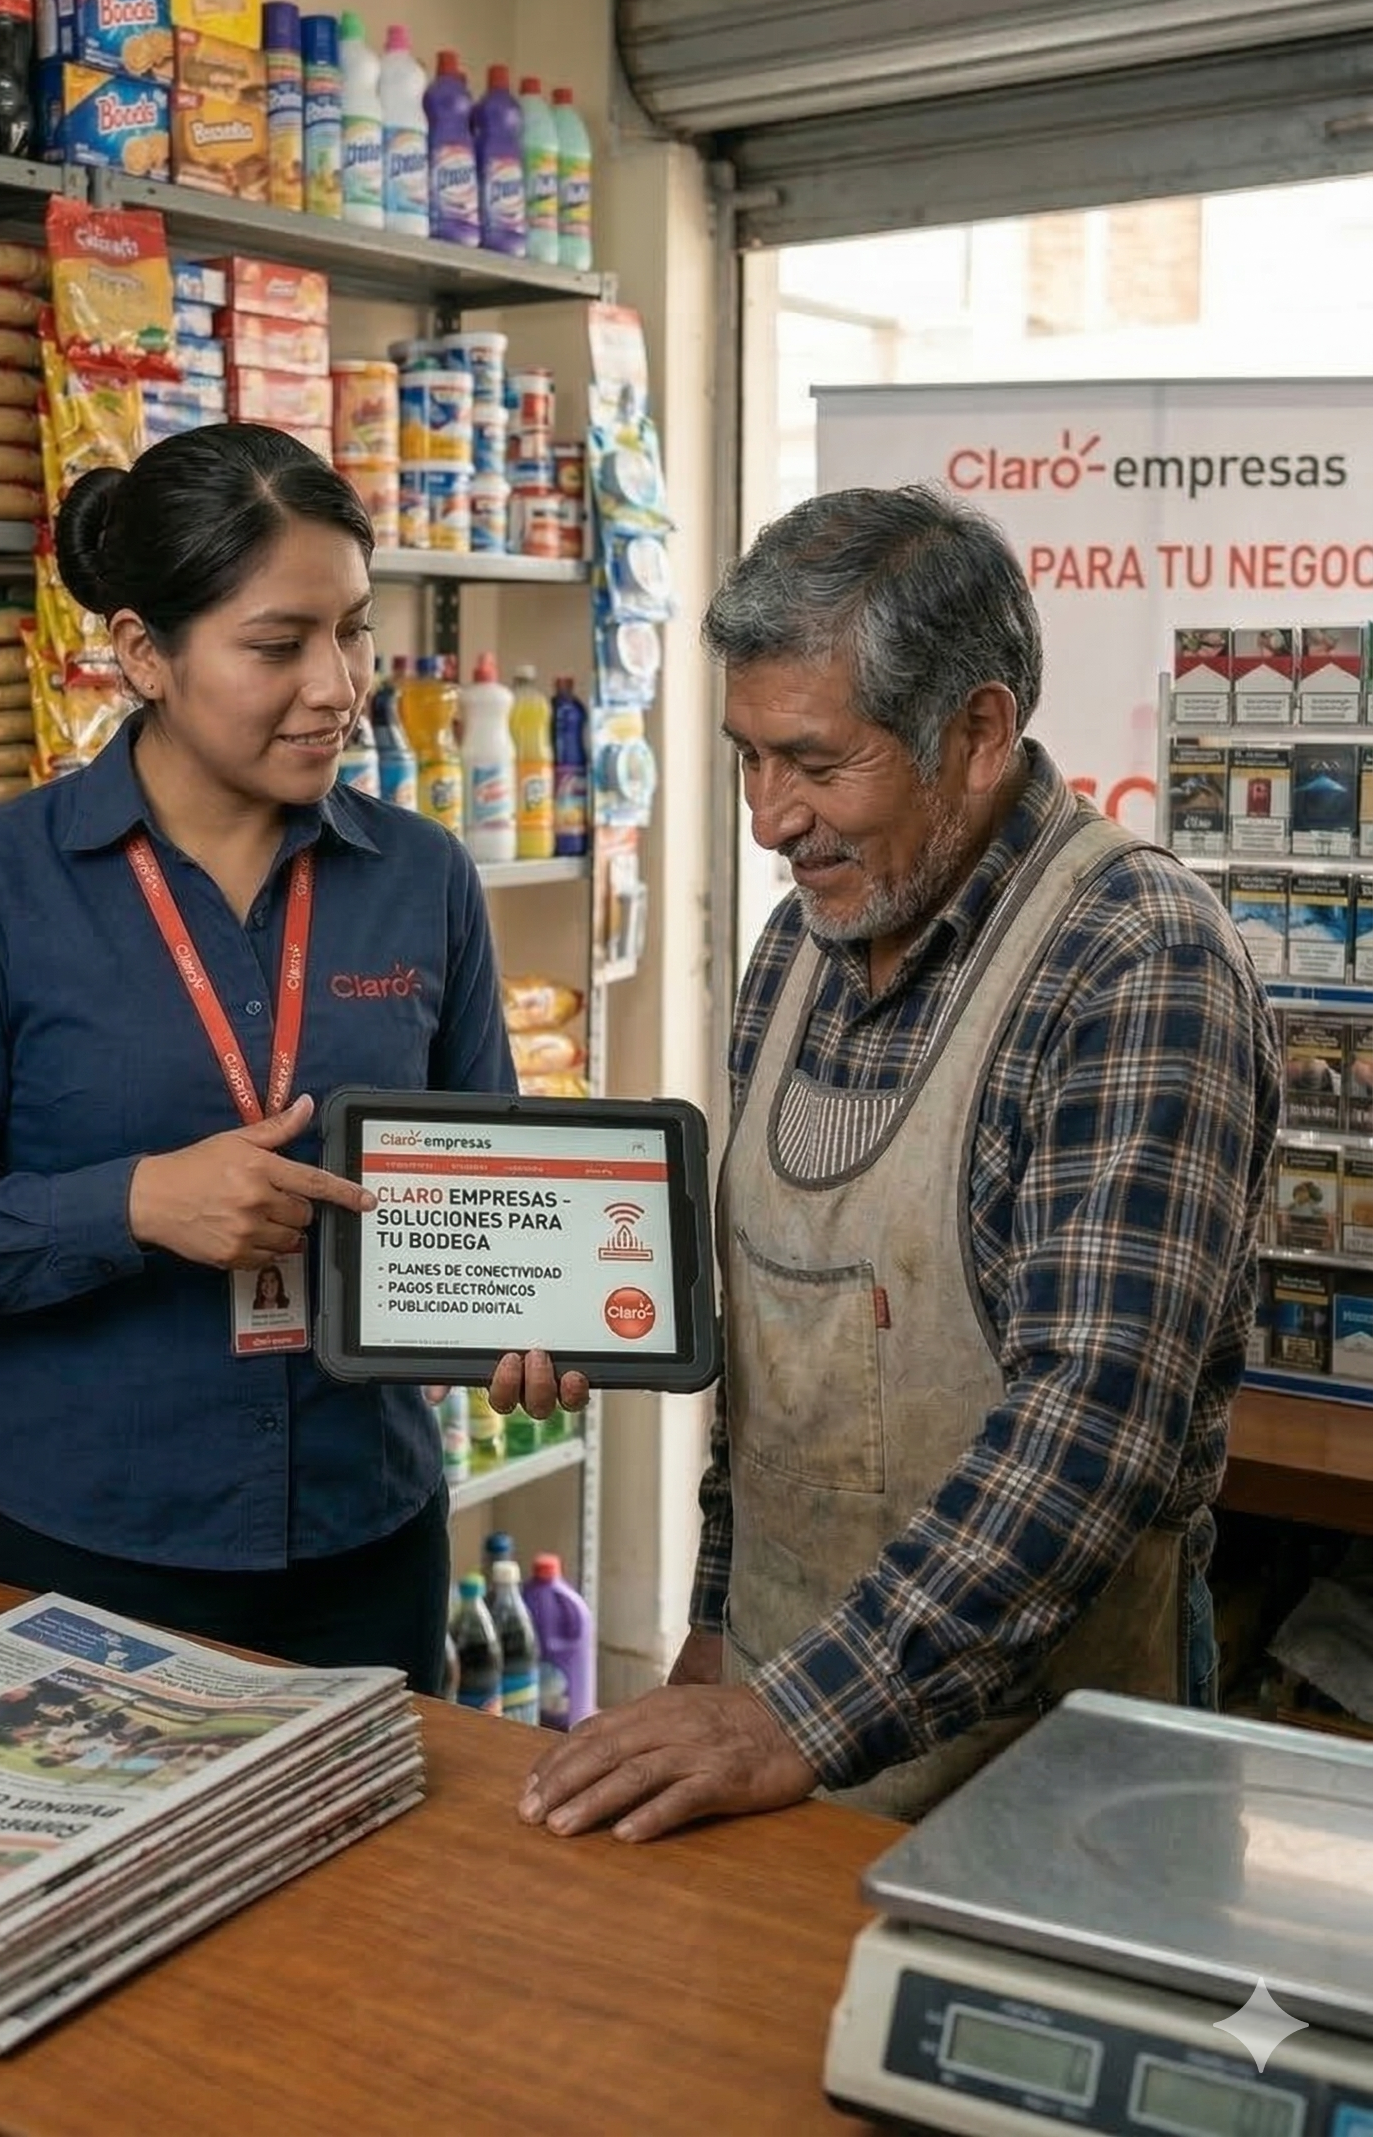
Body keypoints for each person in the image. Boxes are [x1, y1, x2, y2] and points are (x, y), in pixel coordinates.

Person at [512, 484, 1278, 1840]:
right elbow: (773, 1383)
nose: (767, 819)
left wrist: (787, 1715)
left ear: (977, 732)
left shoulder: (1138, 961)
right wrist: (718, 1628)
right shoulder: (797, 948)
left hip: (1048, 1768)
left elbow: (1088, 1434)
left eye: (813, 763)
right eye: (748, 758)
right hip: (783, 1722)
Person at [0, 423, 567, 1696]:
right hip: (85, 1542)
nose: (338, 686)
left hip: (367, 1533)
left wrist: (526, 1319)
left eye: (352, 629)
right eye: (276, 645)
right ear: (144, 654)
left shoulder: (422, 877)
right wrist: (137, 1203)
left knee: (371, 1893)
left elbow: (481, 1182)